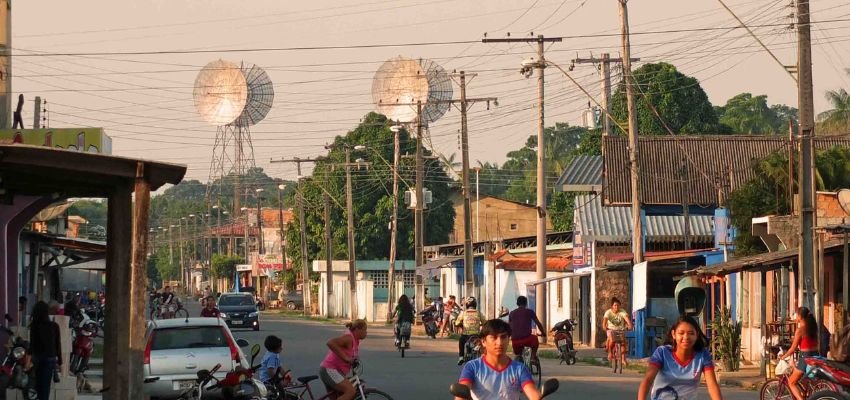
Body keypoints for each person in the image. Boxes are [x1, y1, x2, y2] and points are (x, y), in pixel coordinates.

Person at [638, 315, 722, 400]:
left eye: (691, 333)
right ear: (674, 334)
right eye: (681, 333)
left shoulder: (703, 355)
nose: (686, 337)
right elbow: (648, 380)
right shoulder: (662, 352)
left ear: (697, 335)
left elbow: (712, 385)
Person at [456, 319, 542, 400]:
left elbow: (532, 393)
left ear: (508, 340)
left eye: (503, 337)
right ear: (483, 341)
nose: (499, 342)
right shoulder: (472, 367)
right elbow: (462, 392)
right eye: (493, 337)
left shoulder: (519, 369)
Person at [320, 320, 368, 400]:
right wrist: (346, 358)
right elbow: (330, 343)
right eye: (365, 330)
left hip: (335, 372)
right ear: (357, 329)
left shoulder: (356, 340)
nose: (366, 333)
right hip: (329, 370)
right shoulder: (349, 338)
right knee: (350, 391)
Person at [779, 307, 819, 400]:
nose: (795, 316)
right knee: (805, 383)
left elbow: (793, 348)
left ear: (800, 316)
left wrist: (783, 356)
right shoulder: (813, 328)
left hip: (805, 358)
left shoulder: (800, 330)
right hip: (815, 356)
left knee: (791, 382)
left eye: (796, 314)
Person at [29, 301, 62, 400]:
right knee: (45, 386)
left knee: (37, 385)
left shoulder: (34, 326)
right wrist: (60, 362)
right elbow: (57, 345)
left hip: (38, 358)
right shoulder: (54, 326)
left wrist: (28, 361)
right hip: (50, 358)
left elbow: (32, 345)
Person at [509, 296, 546, 363]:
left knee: (518, 354)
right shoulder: (529, 312)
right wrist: (543, 333)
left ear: (517, 303)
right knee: (535, 339)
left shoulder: (512, 313)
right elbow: (538, 324)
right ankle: (532, 357)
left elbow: (509, 327)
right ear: (526, 303)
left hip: (515, 341)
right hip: (527, 339)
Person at [455, 297, 485, 365]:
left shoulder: (463, 313)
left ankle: (461, 357)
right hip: (476, 335)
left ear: (467, 305)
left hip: (466, 335)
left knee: (461, 341)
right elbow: (484, 322)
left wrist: (459, 324)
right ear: (475, 304)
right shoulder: (478, 313)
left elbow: (457, 323)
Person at [603, 297, 632, 365]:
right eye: (615, 305)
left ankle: (623, 359)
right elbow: (604, 322)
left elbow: (627, 319)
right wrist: (605, 328)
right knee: (611, 340)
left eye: (618, 305)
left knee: (623, 343)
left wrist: (630, 325)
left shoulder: (622, 311)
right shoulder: (608, 312)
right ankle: (610, 352)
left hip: (620, 330)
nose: (617, 307)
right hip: (611, 329)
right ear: (612, 306)